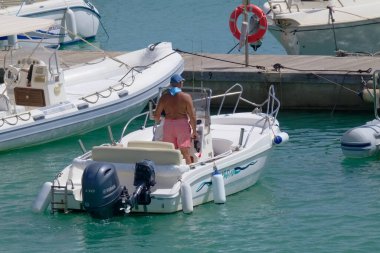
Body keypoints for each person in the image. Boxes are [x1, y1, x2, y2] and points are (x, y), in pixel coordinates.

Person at [154, 73, 197, 164]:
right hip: (181, 125)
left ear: (171, 84)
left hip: (168, 125)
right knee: (185, 152)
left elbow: (156, 115)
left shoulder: (164, 97)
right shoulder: (186, 97)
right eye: (182, 82)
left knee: (170, 152)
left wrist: (159, 120)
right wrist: (194, 131)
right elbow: (192, 116)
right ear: (180, 83)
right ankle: (189, 169)